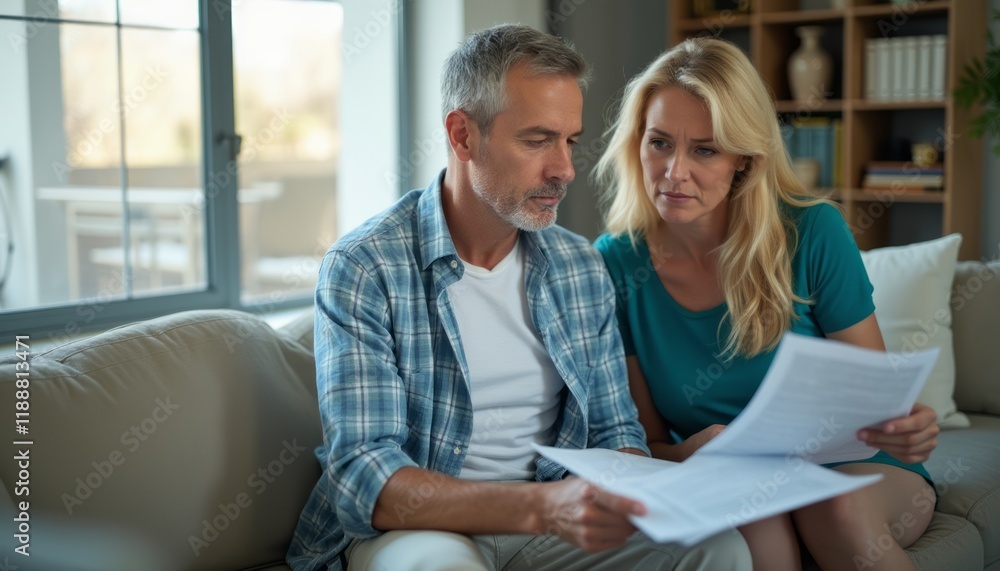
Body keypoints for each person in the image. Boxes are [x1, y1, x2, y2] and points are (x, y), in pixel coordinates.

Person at [286, 25, 752, 571]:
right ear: (462, 136)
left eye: (570, 141)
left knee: (720, 546)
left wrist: (640, 490)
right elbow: (365, 477)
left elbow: (615, 432)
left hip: (552, 521)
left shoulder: (579, 267)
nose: (564, 169)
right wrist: (541, 508)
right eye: (537, 140)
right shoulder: (366, 266)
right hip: (424, 528)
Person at [593, 37, 940, 571]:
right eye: (659, 142)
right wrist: (688, 453)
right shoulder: (616, 264)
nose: (673, 171)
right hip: (730, 475)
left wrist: (909, 427)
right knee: (756, 522)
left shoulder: (812, 232)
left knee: (835, 508)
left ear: (745, 162)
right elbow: (647, 443)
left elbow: (876, 407)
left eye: (704, 150)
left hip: (851, 471)